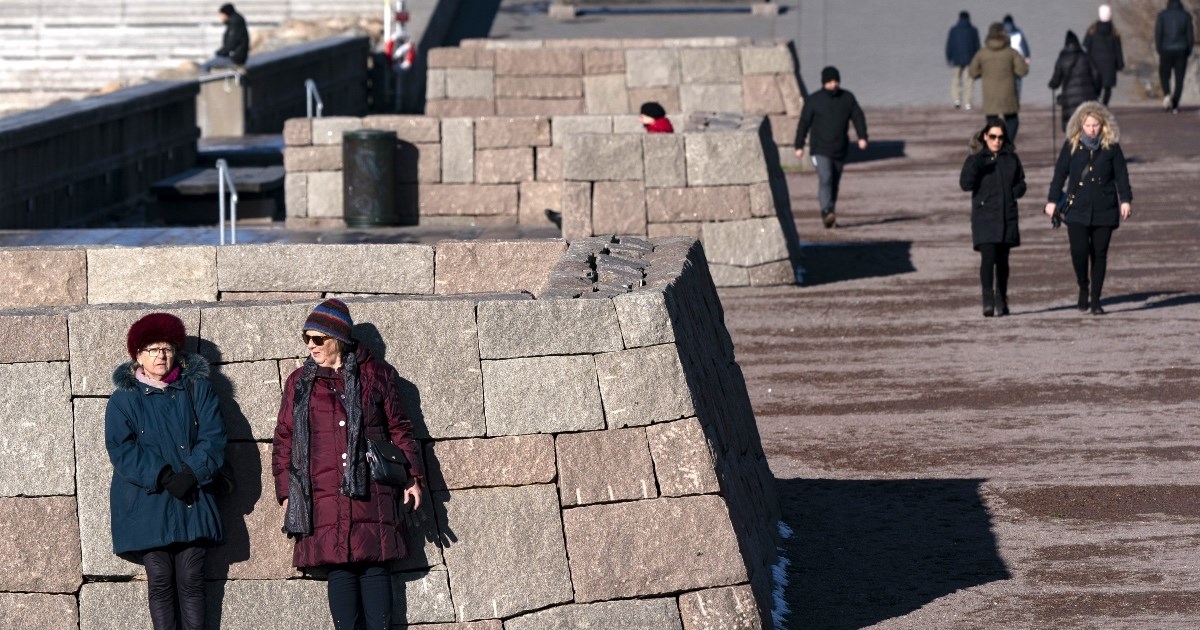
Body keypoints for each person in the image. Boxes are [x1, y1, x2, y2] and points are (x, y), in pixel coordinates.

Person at [273, 299, 424, 630]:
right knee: (338, 567)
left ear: (337, 339)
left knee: (375, 565)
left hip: (373, 490)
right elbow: (285, 438)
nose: (310, 345)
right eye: (306, 338)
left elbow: (400, 429)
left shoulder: (378, 375)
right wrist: (286, 492)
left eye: (318, 339)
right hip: (322, 492)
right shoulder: (299, 382)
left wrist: (413, 476)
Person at [106, 313, 226, 630]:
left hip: (192, 496)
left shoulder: (197, 389)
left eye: (167, 348)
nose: (161, 355)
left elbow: (213, 437)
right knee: (159, 578)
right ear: (138, 355)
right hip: (148, 500)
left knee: (191, 577)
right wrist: (162, 475)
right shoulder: (123, 399)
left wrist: (192, 472)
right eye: (153, 349)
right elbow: (121, 448)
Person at [1044, 102, 1132, 315]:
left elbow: (1121, 174)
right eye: (1088, 125)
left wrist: (1125, 200)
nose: (1092, 129)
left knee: (1099, 254)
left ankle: (1095, 299)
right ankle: (1083, 285)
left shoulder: (1111, 147)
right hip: (1077, 209)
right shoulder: (1071, 146)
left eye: (1095, 125)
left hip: (1105, 208)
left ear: (1103, 125)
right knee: (1079, 252)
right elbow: (1060, 174)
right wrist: (1052, 200)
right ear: (1081, 125)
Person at [960, 122, 1026, 317]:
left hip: (1006, 216)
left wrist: (1015, 192)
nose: (997, 141)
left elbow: (1021, 182)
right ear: (985, 137)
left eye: (1000, 137)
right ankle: (987, 299)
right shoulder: (976, 158)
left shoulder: (1011, 158)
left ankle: (1001, 298)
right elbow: (965, 184)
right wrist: (978, 164)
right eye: (993, 137)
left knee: (1003, 261)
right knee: (988, 258)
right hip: (985, 216)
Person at [793, 65, 868, 229]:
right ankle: (826, 211)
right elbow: (804, 123)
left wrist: (862, 136)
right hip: (820, 149)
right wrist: (799, 145)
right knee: (825, 177)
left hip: (840, 148)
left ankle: (830, 213)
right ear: (824, 82)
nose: (833, 84)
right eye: (830, 81)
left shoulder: (847, 98)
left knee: (834, 182)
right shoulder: (814, 100)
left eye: (835, 81)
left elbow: (858, 116)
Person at [970, 22, 1029, 141]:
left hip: (990, 94)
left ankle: (995, 144)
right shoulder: (1011, 52)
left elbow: (973, 72)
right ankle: (1007, 143)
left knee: (992, 122)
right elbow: (1022, 71)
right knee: (1012, 120)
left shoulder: (982, 53)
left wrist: (984, 72)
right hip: (1008, 93)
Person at [1049, 31, 1101, 132]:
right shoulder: (1086, 57)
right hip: (1088, 98)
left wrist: (1052, 84)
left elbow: (1056, 80)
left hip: (1070, 100)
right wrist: (1096, 92)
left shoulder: (1062, 59)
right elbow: (1097, 75)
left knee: (1072, 128)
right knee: (1088, 127)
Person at [1156, 0, 1195, 113]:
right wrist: (1188, 50)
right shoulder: (1186, 16)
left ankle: (1167, 94)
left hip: (1166, 49)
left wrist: (1159, 48)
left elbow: (1158, 33)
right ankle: (1175, 103)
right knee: (1179, 78)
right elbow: (1190, 35)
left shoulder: (1162, 15)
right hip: (1181, 49)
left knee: (1164, 75)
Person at [1084, 5, 1125, 106]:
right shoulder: (1114, 33)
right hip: (1110, 65)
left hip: (1094, 64)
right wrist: (1120, 64)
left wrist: (1087, 63)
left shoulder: (1092, 31)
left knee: (1095, 87)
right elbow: (1118, 50)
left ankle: (1095, 105)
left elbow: (1086, 47)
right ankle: (1104, 106)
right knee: (1107, 88)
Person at [946, 10, 981, 110]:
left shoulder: (953, 30)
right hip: (970, 59)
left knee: (956, 80)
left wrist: (949, 57)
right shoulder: (973, 30)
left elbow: (949, 45)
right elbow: (977, 46)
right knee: (969, 81)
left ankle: (957, 100)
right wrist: (978, 60)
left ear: (959, 18)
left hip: (956, 59)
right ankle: (968, 102)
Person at [201, 3, 249, 72]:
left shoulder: (235, 24)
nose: (220, 17)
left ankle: (204, 79)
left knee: (205, 65)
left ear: (226, 14)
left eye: (221, 15)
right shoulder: (235, 22)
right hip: (236, 56)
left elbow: (231, 44)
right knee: (212, 59)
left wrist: (218, 53)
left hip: (235, 58)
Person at [1003, 14, 1032, 100]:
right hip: (1017, 60)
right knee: (1018, 81)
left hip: (1004, 60)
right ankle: (1016, 100)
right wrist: (1027, 56)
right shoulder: (1018, 32)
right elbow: (1024, 46)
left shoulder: (1001, 33)